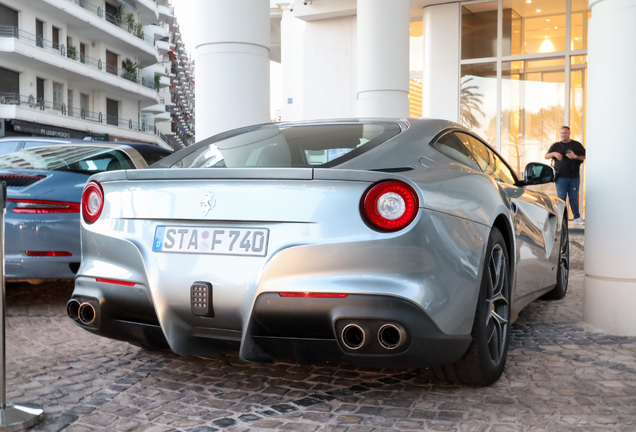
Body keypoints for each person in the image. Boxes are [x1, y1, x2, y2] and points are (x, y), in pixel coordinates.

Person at [544, 126, 586, 224]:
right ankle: (561, 218)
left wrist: (574, 156)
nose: (563, 134)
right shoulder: (556, 146)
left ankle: (577, 218)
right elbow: (546, 156)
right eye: (562, 133)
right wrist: (554, 153)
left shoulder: (576, 145)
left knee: (573, 197)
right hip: (560, 177)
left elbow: (586, 155)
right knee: (561, 198)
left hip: (574, 177)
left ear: (569, 133)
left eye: (565, 133)